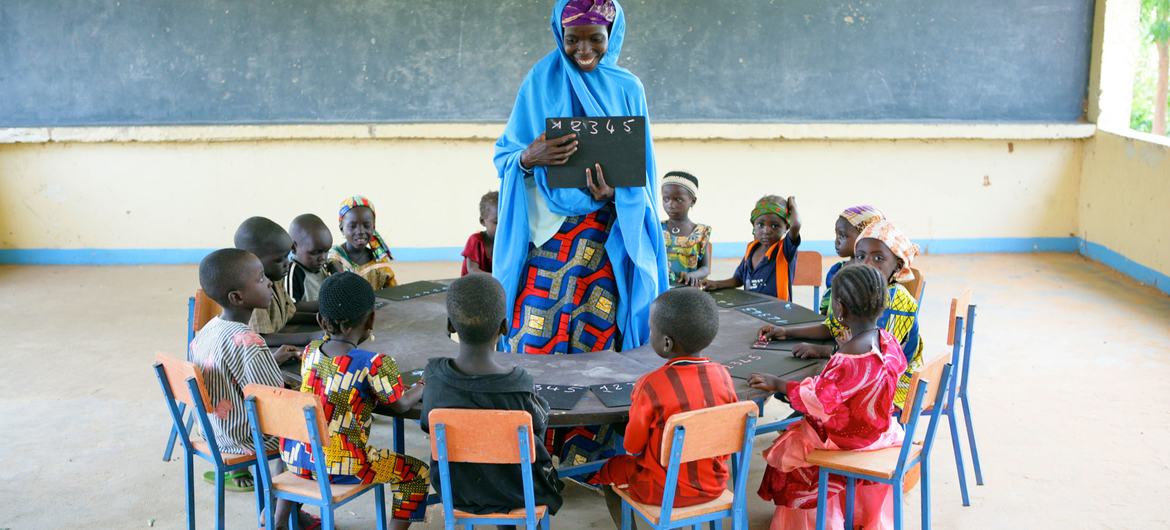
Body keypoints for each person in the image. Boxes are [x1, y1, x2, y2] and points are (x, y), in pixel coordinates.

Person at [492, 0, 668, 355]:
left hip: (605, 238)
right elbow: (504, 157)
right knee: (532, 338)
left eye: (595, 39)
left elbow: (642, 176)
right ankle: (535, 411)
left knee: (598, 343)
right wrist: (529, 157)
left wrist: (617, 194)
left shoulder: (628, 89)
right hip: (547, 239)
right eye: (572, 39)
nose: (583, 50)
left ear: (612, 35)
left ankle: (593, 411)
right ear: (560, 34)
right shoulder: (540, 80)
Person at [749, 264, 908, 530]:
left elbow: (819, 402)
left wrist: (780, 385)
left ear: (840, 309)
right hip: (880, 431)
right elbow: (892, 372)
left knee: (791, 445)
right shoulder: (888, 341)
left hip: (846, 441)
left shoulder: (847, 357)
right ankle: (856, 515)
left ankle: (813, 522)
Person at [277, 272, 428, 530]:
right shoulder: (373, 363)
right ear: (371, 319)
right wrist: (425, 383)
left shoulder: (311, 352)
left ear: (320, 321)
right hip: (342, 465)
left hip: (296, 458)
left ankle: (274, 521)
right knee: (416, 473)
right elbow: (401, 403)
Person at [420, 273, 564, 519]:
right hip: (519, 492)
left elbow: (426, 424)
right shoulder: (519, 384)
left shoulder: (434, 376)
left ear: (449, 326)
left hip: (458, 491)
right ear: (505, 326)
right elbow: (538, 428)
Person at [592, 287, 737, 527]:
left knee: (609, 470)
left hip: (660, 490)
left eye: (651, 329)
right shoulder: (723, 376)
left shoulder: (651, 385)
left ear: (667, 343)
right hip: (713, 485)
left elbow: (632, 445)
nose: (650, 334)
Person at [758, 218, 923, 408]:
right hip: (864, 374)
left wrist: (824, 351)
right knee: (809, 387)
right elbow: (833, 326)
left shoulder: (898, 301)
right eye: (860, 256)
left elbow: (876, 361)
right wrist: (787, 332)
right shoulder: (860, 288)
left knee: (815, 391)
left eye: (878, 258)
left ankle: (816, 417)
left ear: (898, 266)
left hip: (890, 389)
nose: (867, 263)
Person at [188, 248, 287, 493]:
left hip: (213, 432)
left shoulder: (208, 330)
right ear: (237, 297)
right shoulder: (250, 342)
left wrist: (272, 361)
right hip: (244, 439)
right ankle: (283, 506)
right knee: (302, 428)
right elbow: (275, 399)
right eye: (261, 279)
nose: (270, 284)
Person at [234, 217, 318, 351]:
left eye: (288, 256)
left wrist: (317, 319)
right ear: (253, 260)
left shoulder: (276, 279)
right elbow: (262, 338)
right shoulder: (253, 293)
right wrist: (310, 336)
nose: (288, 263)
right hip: (257, 354)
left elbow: (286, 316)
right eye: (279, 260)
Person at [703, 195, 802, 299]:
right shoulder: (751, 249)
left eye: (774, 226)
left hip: (778, 311)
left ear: (786, 227)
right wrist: (716, 284)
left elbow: (796, 225)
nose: (766, 231)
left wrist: (793, 204)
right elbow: (738, 279)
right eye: (760, 225)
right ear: (753, 225)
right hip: (751, 307)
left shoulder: (785, 250)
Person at [820, 205, 884, 314]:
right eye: (836, 234)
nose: (837, 241)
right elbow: (825, 311)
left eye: (843, 235)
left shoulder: (873, 275)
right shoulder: (836, 269)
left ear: (865, 236)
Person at [328, 195, 398, 290]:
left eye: (366, 225)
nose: (360, 231)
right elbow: (343, 286)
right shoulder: (335, 257)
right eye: (352, 226)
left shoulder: (379, 262)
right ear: (342, 229)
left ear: (373, 228)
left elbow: (393, 290)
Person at [660, 171, 711, 287]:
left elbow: (705, 268)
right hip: (661, 290)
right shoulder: (657, 229)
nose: (670, 204)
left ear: (692, 201)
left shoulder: (701, 233)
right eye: (666, 199)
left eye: (678, 200)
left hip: (688, 291)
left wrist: (694, 275)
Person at [284, 213, 335, 310]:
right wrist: (327, 304)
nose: (323, 258)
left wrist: (337, 274)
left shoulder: (323, 267)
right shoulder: (292, 271)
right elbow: (290, 308)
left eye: (327, 251)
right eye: (315, 252)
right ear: (293, 247)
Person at [461, 191, 499, 276]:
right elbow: (473, 271)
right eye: (496, 222)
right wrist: (499, 277)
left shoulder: (505, 244)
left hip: (491, 286)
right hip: (472, 286)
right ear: (482, 221)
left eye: (505, 222)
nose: (501, 228)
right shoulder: (475, 241)